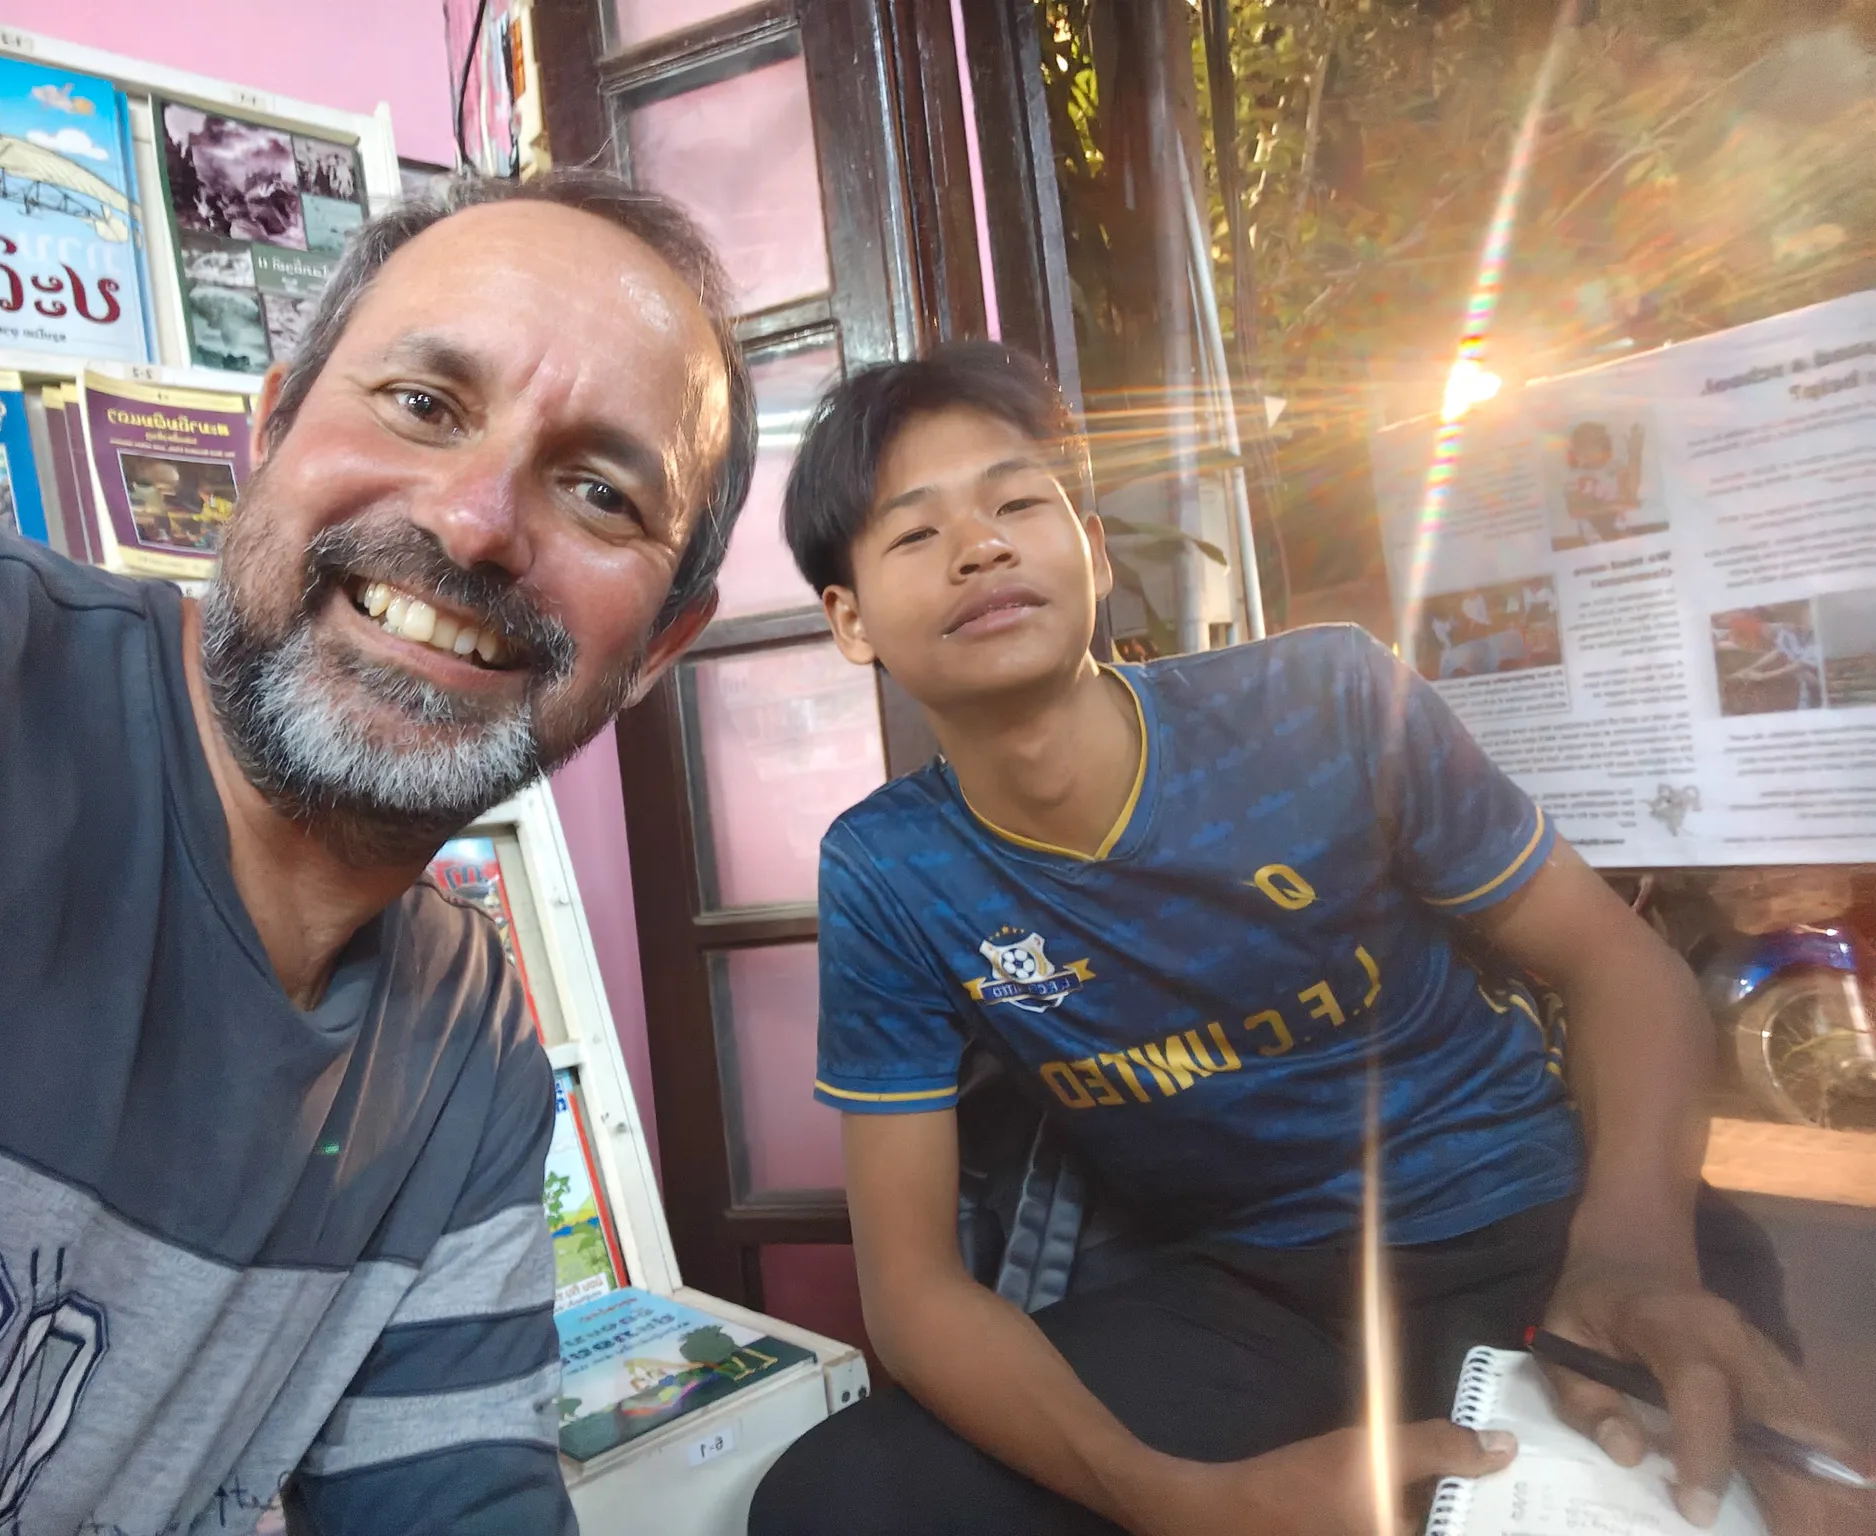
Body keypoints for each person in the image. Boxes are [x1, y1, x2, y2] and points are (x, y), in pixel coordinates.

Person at [749, 342, 1865, 1536]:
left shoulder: (1323, 701)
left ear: (1092, 547)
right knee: (831, 1505)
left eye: (1018, 501)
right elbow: (912, 1288)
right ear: (849, 618)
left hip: (1533, 1224)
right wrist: (1165, 1497)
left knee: (1742, 1490)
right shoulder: (886, 870)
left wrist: (1635, 1247)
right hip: (1247, 1294)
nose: (979, 545)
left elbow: (1616, 964)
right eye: (915, 534)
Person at [0, 171, 753, 1535]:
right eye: (423, 405)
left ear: (659, 651)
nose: (474, 522)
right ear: (266, 434)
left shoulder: (469, 1054)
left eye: (602, 492)